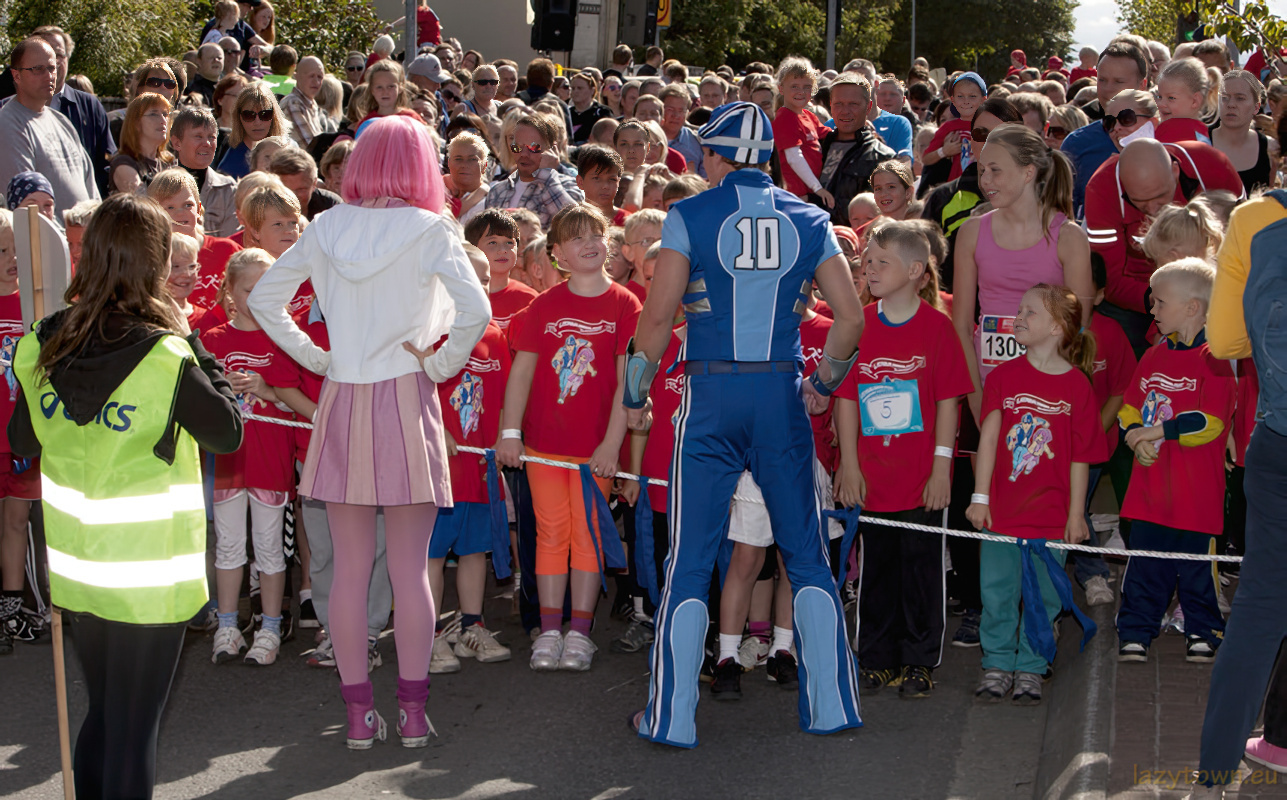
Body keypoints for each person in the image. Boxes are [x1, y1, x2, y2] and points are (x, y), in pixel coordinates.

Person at [624, 102, 863, 747]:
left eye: (703, 153)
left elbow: (656, 317)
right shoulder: (811, 218)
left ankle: (670, 717)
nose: (699, 163)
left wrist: (633, 391)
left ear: (721, 156)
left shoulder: (688, 214)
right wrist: (822, 385)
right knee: (807, 555)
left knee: (691, 559)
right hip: (780, 394)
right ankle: (831, 705)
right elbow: (850, 320)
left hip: (709, 394)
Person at [248, 114, 490, 749]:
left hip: (343, 398)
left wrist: (319, 359)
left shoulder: (326, 226)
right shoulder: (432, 228)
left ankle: (359, 715)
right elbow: (478, 309)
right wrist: (437, 364)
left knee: (350, 571)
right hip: (406, 397)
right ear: (419, 164)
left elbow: (264, 300)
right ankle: (411, 712)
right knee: (411, 570)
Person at [8, 192, 242, 798]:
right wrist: (193, 343)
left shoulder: (41, 343)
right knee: (132, 731)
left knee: (106, 718)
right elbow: (227, 431)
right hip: (147, 577)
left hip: (81, 567)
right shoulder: (166, 355)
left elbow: (20, 438)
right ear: (156, 266)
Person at [495, 203, 639, 672]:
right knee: (552, 535)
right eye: (576, 238)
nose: (590, 244)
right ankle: (550, 630)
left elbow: (626, 384)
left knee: (589, 536)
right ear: (557, 253)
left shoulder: (624, 304)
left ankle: (581, 631)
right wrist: (511, 432)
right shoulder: (546, 304)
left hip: (593, 449)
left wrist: (611, 445)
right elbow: (521, 373)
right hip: (542, 446)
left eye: (596, 234)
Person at [831, 220, 970, 698]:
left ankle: (918, 659)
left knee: (922, 570)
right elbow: (847, 399)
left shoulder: (938, 328)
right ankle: (876, 655)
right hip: (872, 476)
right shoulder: (858, 324)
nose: (869, 269)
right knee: (877, 569)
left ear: (915, 270)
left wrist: (941, 468)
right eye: (867, 261)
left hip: (922, 478)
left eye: (881, 262)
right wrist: (849, 465)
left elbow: (949, 402)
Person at [965, 284, 1105, 704]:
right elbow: (988, 440)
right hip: (1002, 512)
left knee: (1044, 594)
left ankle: (1031, 664)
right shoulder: (1004, 376)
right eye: (1019, 310)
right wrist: (980, 497)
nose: (1018, 318)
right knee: (997, 591)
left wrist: (1077, 514)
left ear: (1058, 328)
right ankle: (996, 663)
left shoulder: (1078, 386)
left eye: (1030, 313)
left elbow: (1081, 457)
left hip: (1051, 515)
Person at [1114, 258, 1233, 665]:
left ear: (1192, 308)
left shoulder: (1215, 358)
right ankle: (1135, 630)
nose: (1152, 310)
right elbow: (1130, 406)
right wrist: (1133, 436)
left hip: (1196, 493)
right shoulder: (1152, 355)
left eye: (1159, 302)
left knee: (1198, 571)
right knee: (1146, 565)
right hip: (1149, 491)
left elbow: (1211, 422)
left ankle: (1204, 630)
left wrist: (1157, 432)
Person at [201, 247, 313, 666]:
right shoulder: (211, 341)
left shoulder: (288, 338)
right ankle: (228, 625)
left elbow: (296, 402)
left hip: (271, 462)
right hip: (228, 463)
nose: (260, 296)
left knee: (269, 549)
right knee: (229, 548)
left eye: (269, 287)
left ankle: (269, 626)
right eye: (250, 289)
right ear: (230, 291)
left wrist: (266, 390)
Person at [953, 123, 1093, 410]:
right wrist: (978, 399)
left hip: (1050, 393)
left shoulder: (1068, 237)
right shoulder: (971, 232)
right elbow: (962, 327)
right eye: (982, 171)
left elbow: (1078, 326)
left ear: (1028, 172)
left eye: (996, 170)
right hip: (986, 387)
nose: (985, 181)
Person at [427, 244, 513, 673]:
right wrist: (435, 428)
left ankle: (471, 625)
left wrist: (501, 436)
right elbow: (409, 393)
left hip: (479, 469)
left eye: (484, 279)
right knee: (431, 555)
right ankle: (426, 633)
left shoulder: (495, 336)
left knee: (475, 551)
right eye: (467, 277)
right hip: (436, 472)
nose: (479, 286)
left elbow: (500, 402)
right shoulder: (425, 333)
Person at [1084, 137, 1243, 355]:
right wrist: (1165, 302)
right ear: (1122, 186)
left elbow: (1245, 240)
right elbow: (1110, 280)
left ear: (1176, 172)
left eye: (1161, 196)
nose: (1152, 209)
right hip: (1138, 294)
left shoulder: (1212, 166)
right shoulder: (1101, 189)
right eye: (1139, 201)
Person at [0, 37, 99, 224]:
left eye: (52, 68)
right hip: (47, 247)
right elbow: (26, 206)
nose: (49, 76)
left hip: (85, 245)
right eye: (38, 69)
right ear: (16, 76)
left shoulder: (62, 122)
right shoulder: (8, 124)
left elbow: (92, 191)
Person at [0, 208, 39, 650]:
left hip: (22, 435)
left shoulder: (34, 304)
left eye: (16, 250)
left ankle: (12, 610)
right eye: (2, 251)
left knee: (17, 520)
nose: (12, 259)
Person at [1061, 41, 1151, 217]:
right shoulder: (1077, 144)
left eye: (1119, 81)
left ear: (1142, 85)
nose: (1108, 89)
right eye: (1102, 80)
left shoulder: (1165, 138)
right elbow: (1062, 215)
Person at [29, 27, 116, 198]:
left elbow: (106, 164)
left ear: (68, 59)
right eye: (42, 54)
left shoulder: (90, 106)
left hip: (82, 214)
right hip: (27, 212)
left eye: (58, 54)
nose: (51, 61)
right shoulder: (7, 111)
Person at [815, 73, 896, 226]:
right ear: (830, 105)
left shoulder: (883, 157)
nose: (845, 111)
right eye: (839, 104)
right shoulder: (814, 147)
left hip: (854, 244)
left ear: (869, 107)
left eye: (853, 104)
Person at [484, 113, 584, 228]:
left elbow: (574, 225)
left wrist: (547, 176)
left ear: (552, 149)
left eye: (533, 147)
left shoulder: (570, 186)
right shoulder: (497, 191)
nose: (524, 154)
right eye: (517, 147)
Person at [170, 106, 239, 238]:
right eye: (198, 136)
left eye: (212, 137)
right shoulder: (160, 185)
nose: (207, 143)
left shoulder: (227, 189)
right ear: (177, 143)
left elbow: (230, 243)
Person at [773, 58, 828, 203]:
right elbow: (793, 157)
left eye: (807, 87)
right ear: (781, 88)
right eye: (794, 86)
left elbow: (830, 134)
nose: (801, 92)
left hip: (807, 192)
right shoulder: (785, 117)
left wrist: (859, 128)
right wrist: (818, 189)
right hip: (794, 195)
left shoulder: (808, 116)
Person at [1210, 70, 1273, 194]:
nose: (1231, 104)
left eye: (1240, 98)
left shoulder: (1270, 148)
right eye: (1224, 98)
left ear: (1256, 107)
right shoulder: (1201, 141)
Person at [922, 72, 987, 181]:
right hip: (958, 186)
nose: (966, 101)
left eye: (972, 96)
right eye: (960, 96)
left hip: (987, 185)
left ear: (983, 99)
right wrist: (944, 151)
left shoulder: (992, 125)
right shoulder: (949, 127)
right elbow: (926, 158)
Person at [109, 93, 174, 195]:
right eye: (154, 114)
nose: (163, 120)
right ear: (136, 123)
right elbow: (144, 204)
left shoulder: (169, 161)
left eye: (165, 114)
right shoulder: (123, 163)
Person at [218, 82, 285, 179]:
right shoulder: (229, 164)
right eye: (249, 115)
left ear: (274, 116)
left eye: (265, 114)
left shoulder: (289, 147)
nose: (257, 122)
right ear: (239, 118)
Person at [1155, 57, 1219, 142]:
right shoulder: (1202, 134)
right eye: (1159, 97)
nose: (1160, 104)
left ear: (1195, 101)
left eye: (1171, 98)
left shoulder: (1168, 134)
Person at [268, 147, 341, 222]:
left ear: (314, 184)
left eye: (301, 189)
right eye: (286, 190)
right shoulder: (260, 209)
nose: (293, 197)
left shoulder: (331, 207)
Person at [280, 56, 327, 149]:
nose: (316, 81)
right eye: (311, 76)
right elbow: (310, 147)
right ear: (297, 77)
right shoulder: (292, 103)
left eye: (320, 77)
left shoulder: (311, 103)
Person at [658, 84, 703, 178]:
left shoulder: (697, 143)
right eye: (670, 109)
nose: (675, 115)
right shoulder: (646, 139)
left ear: (687, 113)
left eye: (681, 111)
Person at [445, 131, 489, 226]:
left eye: (473, 159)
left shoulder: (491, 202)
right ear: (449, 163)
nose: (464, 165)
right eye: (458, 159)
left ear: (484, 165)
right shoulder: (437, 191)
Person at [620, 209, 665, 303]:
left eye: (664, 241)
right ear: (628, 252)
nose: (656, 247)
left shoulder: (685, 292)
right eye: (647, 241)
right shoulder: (623, 301)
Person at [569, 72, 613, 145]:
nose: (575, 91)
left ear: (592, 91)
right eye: (573, 88)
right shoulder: (567, 113)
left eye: (580, 88)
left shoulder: (602, 112)